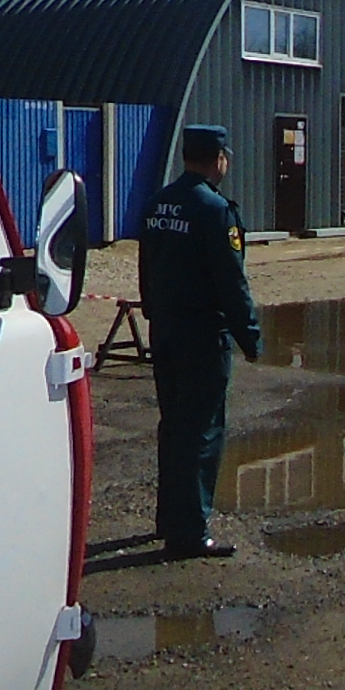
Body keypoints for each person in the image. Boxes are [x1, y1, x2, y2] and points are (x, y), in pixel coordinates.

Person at [138, 124, 261, 559]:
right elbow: (232, 281)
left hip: (166, 332)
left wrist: (155, 314)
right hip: (202, 336)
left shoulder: (157, 204)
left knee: (172, 425)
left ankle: (168, 518)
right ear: (218, 159)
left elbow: (146, 269)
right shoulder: (214, 210)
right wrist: (250, 335)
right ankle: (189, 532)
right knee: (202, 431)